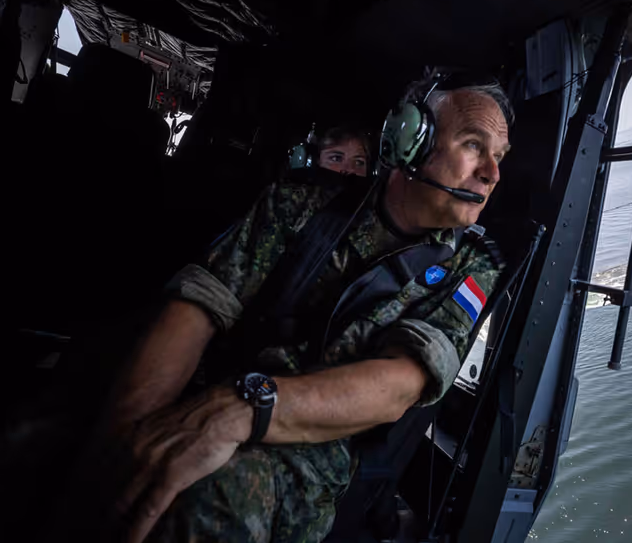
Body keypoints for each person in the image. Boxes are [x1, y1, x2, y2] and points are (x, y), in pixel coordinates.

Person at [79, 73, 513, 543]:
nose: (491, 173)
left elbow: (401, 383)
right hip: (211, 384)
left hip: (310, 446)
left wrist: (242, 409)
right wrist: (129, 435)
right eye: (474, 145)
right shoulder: (302, 200)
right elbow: (202, 302)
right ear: (409, 138)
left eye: (499, 157)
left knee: (209, 502)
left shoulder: (472, 269)